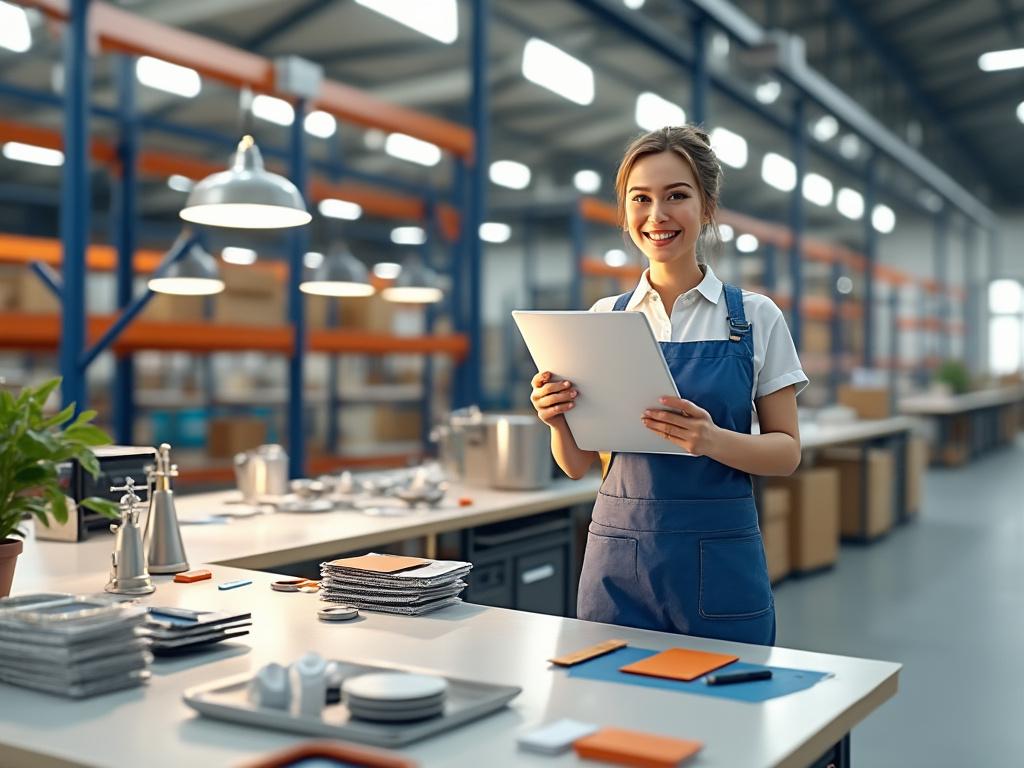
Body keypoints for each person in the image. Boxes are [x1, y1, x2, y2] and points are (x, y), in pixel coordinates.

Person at [529, 125, 807, 646]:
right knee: (614, 715)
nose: (657, 215)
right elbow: (573, 465)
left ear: (706, 206)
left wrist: (713, 441)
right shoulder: (603, 318)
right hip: (617, 561)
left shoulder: (754, 318)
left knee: (725, 716)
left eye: (676, 196)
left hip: (720, 561)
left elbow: (787, 453)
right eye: (641, 199)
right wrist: (556, 418)